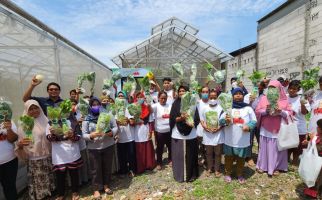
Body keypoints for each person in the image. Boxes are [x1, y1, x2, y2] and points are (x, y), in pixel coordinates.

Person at [16, 100, 54, 200]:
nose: (34, 111)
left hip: (48, 156)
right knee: (38, 180)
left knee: (49, 178)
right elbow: (20, 143)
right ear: (27, 111)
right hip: (34, 159)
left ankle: (50, 193)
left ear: (39, 108)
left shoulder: (45, 120)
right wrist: (20, 145)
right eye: (31, 109)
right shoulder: (24, 124)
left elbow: (51, 137)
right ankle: (41, 196)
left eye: (36, 108)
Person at [82, 97, 118, 198]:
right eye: (93, 105)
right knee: (95, 169)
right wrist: (91, 136)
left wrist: (112, 132)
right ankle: (96, 189)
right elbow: (83, 134)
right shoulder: (86, 118)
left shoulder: (107, 114)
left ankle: (106, 185)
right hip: (93, 148)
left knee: (107, 166)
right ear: (90, 106)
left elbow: (115, 126)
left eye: (97, 104)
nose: (96, 106)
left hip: (108, 145)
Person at [255, 80, 292, 177]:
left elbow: (290, 113)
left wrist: (281, 112)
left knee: (277, 148)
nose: (272, 90)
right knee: (264, 147)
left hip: (279, 128)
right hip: (266, 127)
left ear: (279, 89)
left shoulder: (284, 100)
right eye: (270, 88)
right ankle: (263, 165)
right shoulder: (264, 99)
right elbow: (257, 111)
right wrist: (265, 111)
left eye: (274, 88)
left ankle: (277, 166)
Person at [46, 108, 83, 200]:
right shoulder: (50, 123)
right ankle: (61, 194)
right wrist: (53, 134)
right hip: (59, 154)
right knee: (60, 176)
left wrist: (72, 136)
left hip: (72, 152)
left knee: (74, 174)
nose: (61, 113)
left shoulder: (73, 121)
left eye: (64, 111)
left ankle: (75, 191)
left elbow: (79, 136)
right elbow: (48, 138)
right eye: (59, 111)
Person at [223, 88, 257, 184]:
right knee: (228, 157)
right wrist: (226, 121)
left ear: (243, 96)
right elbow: (221, 121)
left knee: (241, 158)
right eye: (236, 94)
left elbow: (254, 121)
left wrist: (249, 126)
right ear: (232, 96)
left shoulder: (248, 108)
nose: (238, 95)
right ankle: (228, 173)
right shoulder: (228, 107)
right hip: (230, 139)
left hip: (242, 139)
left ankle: (239, 174)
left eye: (240, 94)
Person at [170, 85, 200, 182]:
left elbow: (197, 117)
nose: (182, 93)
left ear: (188, 92)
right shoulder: (175, 104)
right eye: (180, 91)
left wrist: (192, 122)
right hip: (177, 133)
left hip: (191, 132)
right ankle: (179, 176)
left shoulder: (192, 103)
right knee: (178, 155)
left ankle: (190, 175)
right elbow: (172, 118)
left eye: (184, 91)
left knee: (191, 154)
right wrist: (181, 118)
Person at [200, 89, 225, 177]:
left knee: (218, 153)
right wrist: (205, 127)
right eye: (211, 97)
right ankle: (209, 168)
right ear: (209, 97)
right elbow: (202, 120)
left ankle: (217, 169)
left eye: (215, 97)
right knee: (209, 153)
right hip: (207, 134)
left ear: (217, 98)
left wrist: (219, 128)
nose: (213, 99)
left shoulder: (221, 108)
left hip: (218, 134)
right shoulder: (204, 108)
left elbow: (224, 121)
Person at [287, 80, 310, 165]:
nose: (292, 90)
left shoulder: (302, 99)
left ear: (298, 90)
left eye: (294, 89)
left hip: (299, 128)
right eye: (290, 88)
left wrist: (302, 103)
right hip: (288, 127)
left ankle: (295, 161)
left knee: (298, 147)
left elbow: (304, 113)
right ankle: (286, 160)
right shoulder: (285, 97)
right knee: (288, 145)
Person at [133, 92, 156, 174]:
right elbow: (131, 121)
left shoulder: (147, 108)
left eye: (141, 97)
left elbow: (150, 121)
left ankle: (149, 165)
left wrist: (150, 131)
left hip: (145, 129)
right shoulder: (133, 108)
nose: (140, 99)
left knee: (147, 146)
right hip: (137, 130)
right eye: (138, 97)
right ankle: (140, 166)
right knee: (139, 148)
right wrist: (135, 121)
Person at [0, 104, 19, 200]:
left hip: (9, 161)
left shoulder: (7, 120)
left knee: (10, 188)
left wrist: (8, 128)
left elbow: (13, 139)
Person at [116, 92, 136, 177]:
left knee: (131, 155)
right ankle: (123, 170)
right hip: (120, 138)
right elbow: (112, 123)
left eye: (122, 96)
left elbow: (133, 122)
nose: (120, 98)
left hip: (130, 137)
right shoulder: (115, 110)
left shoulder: (129, 108)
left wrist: (129, 120)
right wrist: (117, 122)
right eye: (119, 96)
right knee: (122, 156)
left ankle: (132, 170)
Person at [152, 91, 172, 170]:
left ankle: (170, 159)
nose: (163, 100)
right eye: (161, 98)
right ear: (158, 98)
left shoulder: (170, 105)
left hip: (169, 130)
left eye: (165, 98)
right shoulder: (155, 106)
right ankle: (159, 162)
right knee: (159, 147)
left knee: (170, 146)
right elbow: (149, 109)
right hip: (159, 131)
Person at [302, 119, 322, 198]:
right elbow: (311, 139)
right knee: (313, 176)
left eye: (318, 127)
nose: (316, 128)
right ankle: (311, 191)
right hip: (315, 159)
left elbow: (319, 148)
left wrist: (311, 142)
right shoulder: (318, 135)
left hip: (319, 161)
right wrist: (308, 141)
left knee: (317, 178)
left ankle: (316, 193)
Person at [196, 86, 209, 167]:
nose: (205, 93)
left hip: (209, 128)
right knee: (200, 144)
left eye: (206, 92)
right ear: (200, 93)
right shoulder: (198, 103)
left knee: (207, 145)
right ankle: (201, 158)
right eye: (203, 92)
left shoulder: (212, 102)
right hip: (200, 128)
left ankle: (208, 160)